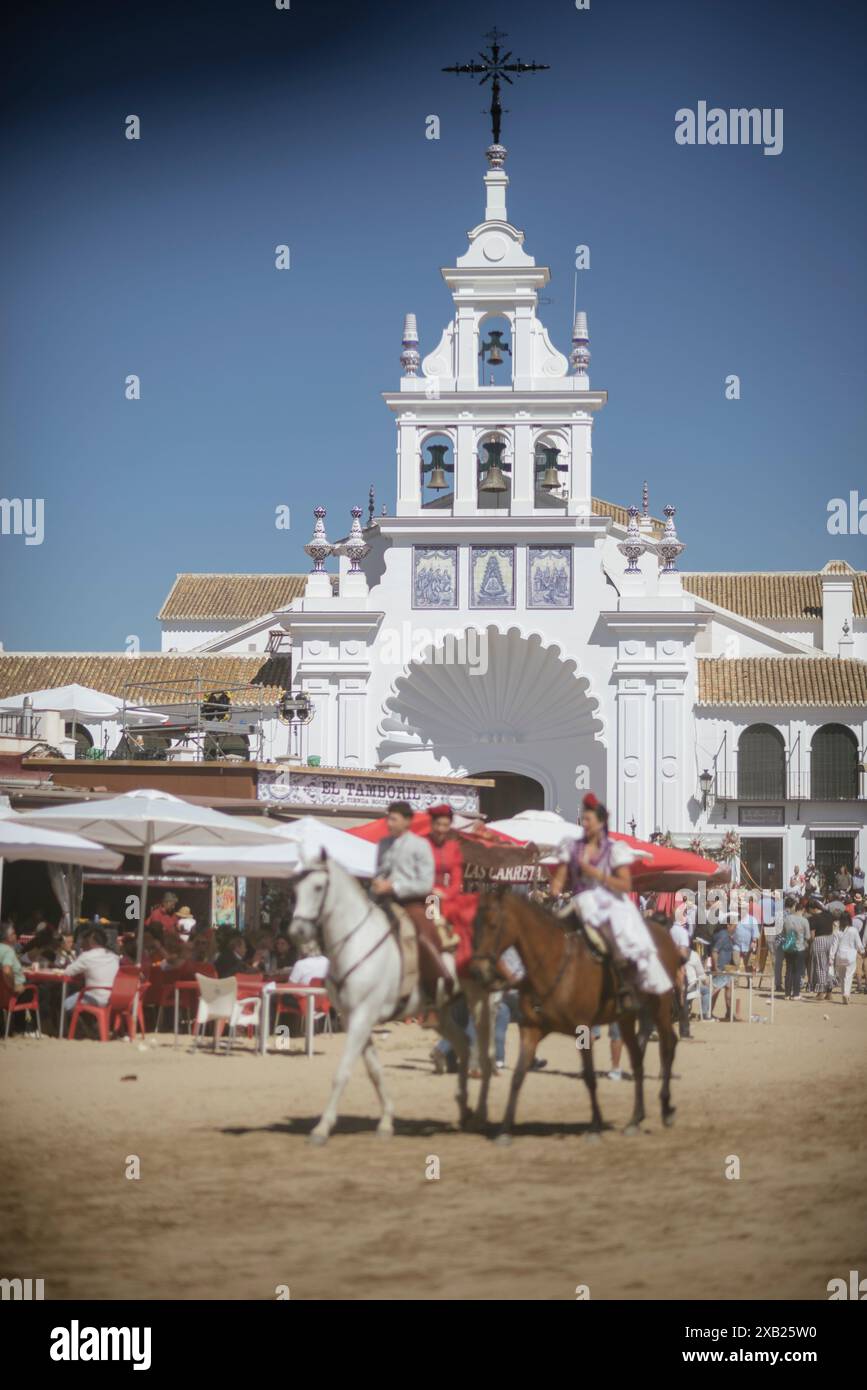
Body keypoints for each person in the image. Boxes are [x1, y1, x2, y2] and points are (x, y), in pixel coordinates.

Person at [549, 793, 671, 1009]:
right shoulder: (571, 847)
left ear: (601, 822)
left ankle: (623, 984)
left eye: (589, 820)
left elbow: (625, 885)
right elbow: (558, 881)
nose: (584, 824)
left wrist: (595, 874)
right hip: (580, 901)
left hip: (608, 902)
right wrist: (555, 889)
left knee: (617, 937)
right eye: (583, 819)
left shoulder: (614, 850)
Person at [371, 801, 453, 1004]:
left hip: (412, 902)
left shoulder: (420, 845)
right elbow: (379, 872)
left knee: (424, 933)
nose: (389, 823)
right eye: (388, 818)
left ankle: (436, 986)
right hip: (383, 901)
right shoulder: (383, 843)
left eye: (393, 819)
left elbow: (425, 884)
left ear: (407, 821)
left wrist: (393, 887)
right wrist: (376, 886)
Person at [425, 804, 478, 975]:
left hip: (449, 897)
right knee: (431, 915)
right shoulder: (422, 844)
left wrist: (447, 894)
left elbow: (457, 878)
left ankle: (471, 962)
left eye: (445, 825)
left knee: (472, 915)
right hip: (426, 895)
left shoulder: (453, 847)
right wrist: (431, 890)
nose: (441, 829)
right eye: (438, 824)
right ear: (432, 825)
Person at [63, 927, 120, 1016]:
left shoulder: (87, 956)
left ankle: (69, 1028)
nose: (81, 945)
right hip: (113, 998)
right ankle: (88, 1027)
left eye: (83, 941)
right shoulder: (114, 956)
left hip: (95, 998)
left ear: (90, 941)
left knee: (65, 1005)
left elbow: (67, 972)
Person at [829, 916, 864, 1004]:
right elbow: (859, 944)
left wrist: (831, 957)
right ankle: (846, 994)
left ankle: (844, 994)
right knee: (848, 976)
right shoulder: (853, 930)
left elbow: (834, 946)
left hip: (839, 956)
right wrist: (863, 951)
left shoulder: (837, 931)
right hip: (850, 956)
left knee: (841, 977)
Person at [709, 919, 739, 1019]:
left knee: (728, 989)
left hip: (726, 969)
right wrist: (716, 967)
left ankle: (729, 1012)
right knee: (716, 991)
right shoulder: (723, 935)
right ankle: (708, 1012)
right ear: (728, 925)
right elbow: (714, 951)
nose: (735, 929)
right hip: (720, 968)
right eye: (734, 926)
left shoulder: (728, 936)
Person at [780, 897, 810, 999]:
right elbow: (808, 936)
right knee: (797, 971)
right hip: (799, 948)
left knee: (788, 970)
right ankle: (796, 993)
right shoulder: (804, 920)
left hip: (789, 947)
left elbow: (783, 933)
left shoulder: (787, 919)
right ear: (803, 910)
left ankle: (787, 993)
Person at [808, 903, 838, 998]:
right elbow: (834, 927)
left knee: (820, 967)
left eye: (810, 910)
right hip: (830, 939)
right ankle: (829, 992)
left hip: (819, 940)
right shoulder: (829, 915)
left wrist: (810, 945)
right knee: (829, 966)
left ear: (814, 909)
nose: (810, 912)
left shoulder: (813, 918)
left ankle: (821, 992)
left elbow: (812, 935)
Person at [0, 922, 25, 994]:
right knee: (43, 990)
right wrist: (14, 985)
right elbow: (6, 971)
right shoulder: (8, 951)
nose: (16, 935)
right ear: (8, 937)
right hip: (14, 992)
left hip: (2, 992)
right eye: (13, 934)